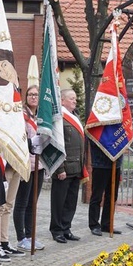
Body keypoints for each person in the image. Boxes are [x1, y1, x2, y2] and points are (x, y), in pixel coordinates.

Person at [50, 89, 85, 241]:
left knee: (71, 202)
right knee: (59, 202)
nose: (74, 101)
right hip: (64, 168)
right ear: (62, 100)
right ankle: (56, 230)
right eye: (71, 98)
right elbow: (56, 143)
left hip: (76, 167)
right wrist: (60, 168)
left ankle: (66, 228)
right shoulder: (59, 119)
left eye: (75, 99)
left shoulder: (74, 117)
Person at [13, 86, 46, 251]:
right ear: (26, 97)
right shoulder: (21, 115)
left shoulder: (41, 116)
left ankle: (30, 236)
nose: (33, 97)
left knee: (33, 202)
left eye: (36, 94)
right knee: (22, 202)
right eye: (30, 94)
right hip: (26, 163)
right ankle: (21, 238)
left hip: (39, 164)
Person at [88, 144, 121, 236]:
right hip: (100, 163)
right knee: (97, 196)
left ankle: (107, 224)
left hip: (116, 163)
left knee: (112, 196)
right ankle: (94, 225)